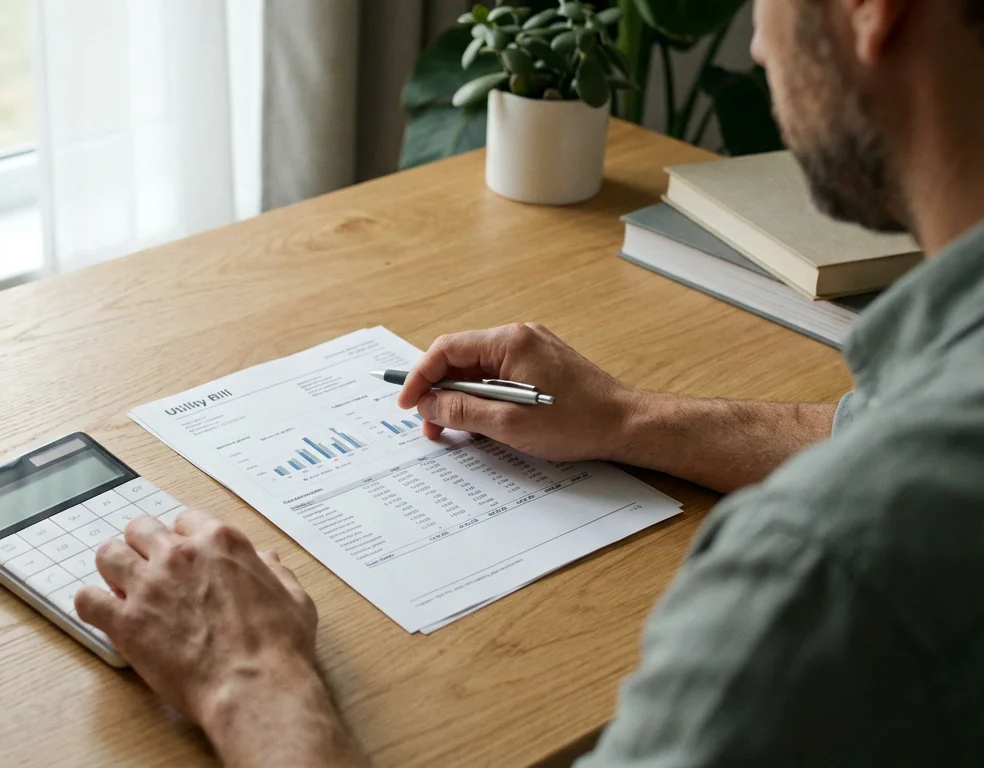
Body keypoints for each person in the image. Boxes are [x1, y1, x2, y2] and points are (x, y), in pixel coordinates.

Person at [73, 0, 984, 763]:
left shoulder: (821, 578)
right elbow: (886, 433)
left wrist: (252, 683)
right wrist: (629, 418)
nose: (753, 41)